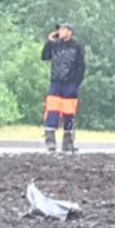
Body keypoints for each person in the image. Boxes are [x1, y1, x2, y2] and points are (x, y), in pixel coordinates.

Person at [40, 23, 87, 154]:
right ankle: (50, 142)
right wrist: (49, 42)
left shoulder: (76, 47)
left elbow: (81, 66)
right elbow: (44, 57)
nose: (59, 31)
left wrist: (76, 83)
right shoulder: (55, 44)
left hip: (70, 85)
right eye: (59, 29)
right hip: (55, 83)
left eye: (62, 29)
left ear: (69, 32)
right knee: (52, 112)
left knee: (69, 114)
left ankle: (68, 143)